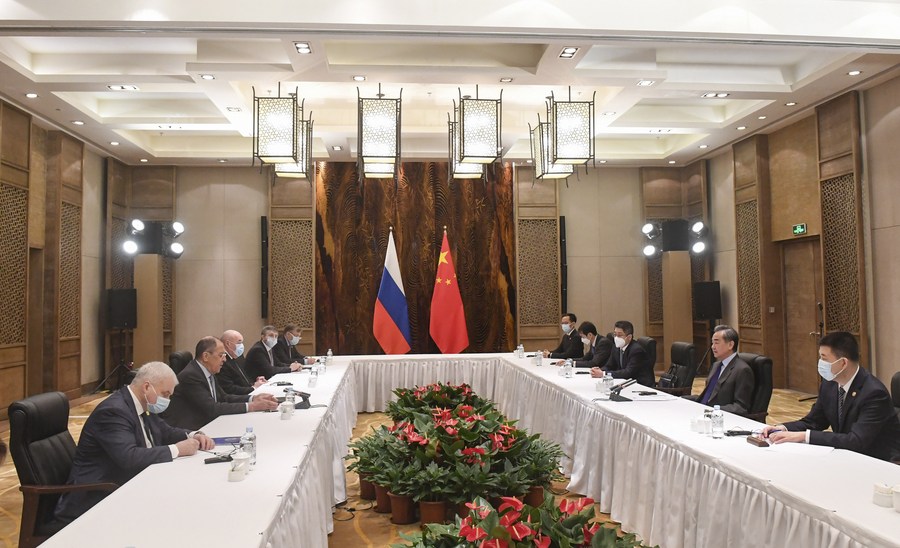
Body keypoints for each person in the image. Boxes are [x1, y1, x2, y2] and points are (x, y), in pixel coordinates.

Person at [55, 362, 214, 523]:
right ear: (147, 387)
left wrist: (193, 435)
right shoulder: (114, 411)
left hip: (129, 484)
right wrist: (177, 450)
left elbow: (165, 431)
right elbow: (129, 457)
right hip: (96, 497)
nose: (167, 400)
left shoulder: (142, 404)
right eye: (165, 394)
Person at [761, 331, 900, 461]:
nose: (820, 363)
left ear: (843, 363)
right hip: (846, 454)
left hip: (878, 461)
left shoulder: (874, 393)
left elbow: (856, 441)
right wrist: (783, 428)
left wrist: (804, 436)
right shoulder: (830, 384)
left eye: (824, 358)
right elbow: (814, 421)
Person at [162, 336, 278, 430]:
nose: (225, 359)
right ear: (206, 356)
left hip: (207, 423)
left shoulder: (208, 371)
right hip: (191, 428)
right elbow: (212, 408)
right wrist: (252, 406)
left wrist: (253, 398)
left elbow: (224, 397)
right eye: (221, 355)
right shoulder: (191, 376)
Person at [684, 325, 754, 414]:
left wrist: (713, 410)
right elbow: (708, 397)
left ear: (730, 345)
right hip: (702, 412)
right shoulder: (716, 365)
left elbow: (740, 408)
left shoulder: (742, 370)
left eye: (716, 343)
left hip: (718, 417)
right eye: (712, 343)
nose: (712, 347)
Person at [594, 320, 655, 387]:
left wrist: (603, 374)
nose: (616, 338)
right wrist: (598, 370)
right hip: (626, 383)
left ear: (629, 337)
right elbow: (609, 366)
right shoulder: (616, 347)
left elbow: (628, 372)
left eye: (619, 335)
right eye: (615, 334)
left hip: (641, 386)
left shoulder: (636, 350)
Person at [218, 329, 265, 395]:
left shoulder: (238, 356)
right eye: (239, 342)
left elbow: (244, 377)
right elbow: (229, 389)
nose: (241, 345)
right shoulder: (222, 361)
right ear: (228, 344)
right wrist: (253, 388)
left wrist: (256, 382)